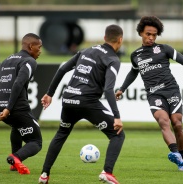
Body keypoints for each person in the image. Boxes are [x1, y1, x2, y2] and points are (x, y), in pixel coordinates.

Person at [38, 24, 125, 184]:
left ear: (105, 38)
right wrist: (116, 116)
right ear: (120, 40)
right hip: (87, 102)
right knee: (117, 134)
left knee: (61, 134)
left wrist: (49, 93)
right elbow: (108, 89)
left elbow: (63, 69)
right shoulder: (112, 59)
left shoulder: (86, 51)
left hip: (69, 99)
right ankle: (107, 172)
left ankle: (44, 174)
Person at [115, 16, 183, 171]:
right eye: (148, 34)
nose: (151, 37)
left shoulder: (164, 49)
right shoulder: (136, 55)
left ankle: (182, 156)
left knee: (177, 124)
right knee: (163, 121)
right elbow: (133, 73)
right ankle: (178, 158)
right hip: (154, 94)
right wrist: (122, 89)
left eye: (154, 34)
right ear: (140, 33)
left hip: (171, 89)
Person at [0, 33, 43, 175]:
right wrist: (9, 108)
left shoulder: (7, 60)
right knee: (35, 142)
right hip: (15, 108)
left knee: (17, 126)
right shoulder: (29, 61)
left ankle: (14, 164)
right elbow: (18, 83)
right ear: (31, 46)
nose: (40, 51)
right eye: (39, 47)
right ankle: (15, 157)